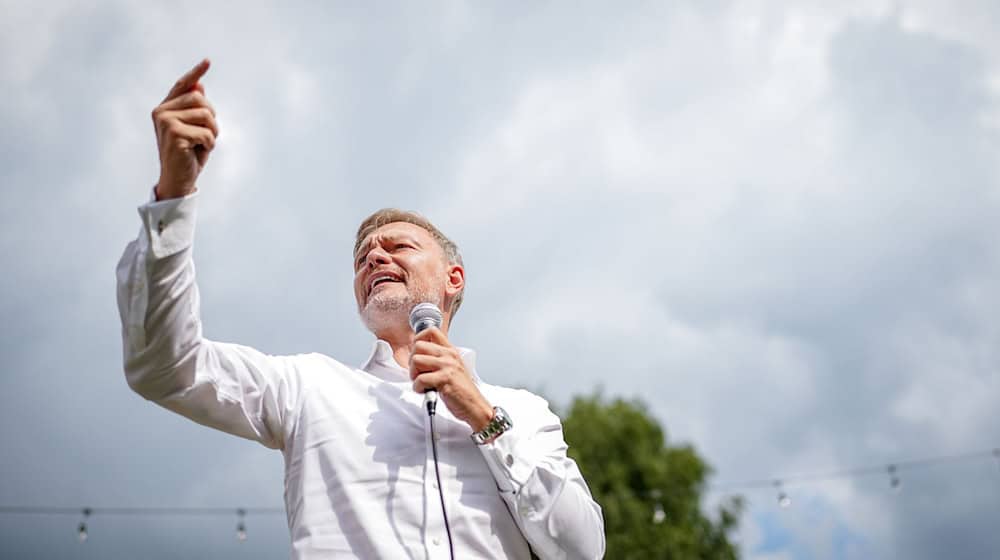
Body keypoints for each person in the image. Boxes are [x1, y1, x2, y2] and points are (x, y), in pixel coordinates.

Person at [116, 59, 605, 560]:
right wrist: (173, 197)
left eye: (399, 246)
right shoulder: (308, 389)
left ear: (453, 279)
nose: (374, 256)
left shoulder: (524, 413)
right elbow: (164, 367)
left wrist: (483, 416)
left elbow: (582, 549)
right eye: (362, 258)